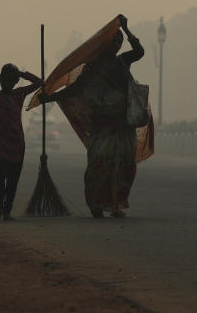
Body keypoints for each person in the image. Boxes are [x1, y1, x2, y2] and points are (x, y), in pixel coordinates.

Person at [40, 15, 145, 218]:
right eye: (113, 41)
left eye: (119, 42)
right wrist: (50, 97)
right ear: (105, 43)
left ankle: (116, 204)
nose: (116, 45)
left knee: (124, 164)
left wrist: (126, 28)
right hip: (102, 123)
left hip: (123, 123)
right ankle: (96, 204)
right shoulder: (93, 67)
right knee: (99, 163)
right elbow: (74, 90)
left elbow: (139, 52)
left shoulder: (123, 61)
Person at [0, 63, 43, 221]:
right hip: (1, 143)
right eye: (5, 80)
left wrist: (22, 73)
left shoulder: (19, 94)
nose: (7, 84)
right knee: (0, 178)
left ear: (14, 82)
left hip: (17, 143)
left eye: (10, 81)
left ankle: (7, 210)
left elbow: (40, 83)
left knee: (13, 180)